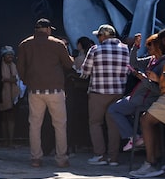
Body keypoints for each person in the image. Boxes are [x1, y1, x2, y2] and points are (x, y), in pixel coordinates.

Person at [16, 18, 75, 168]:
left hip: (35, 90)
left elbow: (20, 68)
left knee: (35, 125)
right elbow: (69, 64)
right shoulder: (57, 44)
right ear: (48, 29)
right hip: (55, 89)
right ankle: (61, 159)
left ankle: (36, 158)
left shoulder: (25, 44)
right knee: (60, 125)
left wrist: (27, 81)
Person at [79, 24, 129, 166]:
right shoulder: (125, 49)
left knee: (95, 123)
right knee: (113, 125)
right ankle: (113, 158)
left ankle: (99, 155)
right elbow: (129, 70)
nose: (98, 38)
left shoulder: (96, 49)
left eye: (98, 36)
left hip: (98, 92)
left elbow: (85, 71)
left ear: (103, 36)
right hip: (118, 92)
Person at [108, 32, 163, 151]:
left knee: (114, 109)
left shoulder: (161, 64)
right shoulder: (151, 60)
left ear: (158, 47)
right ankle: (136, 136)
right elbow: (134, 63)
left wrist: (143, 79)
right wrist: (135, 47)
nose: (147, 48)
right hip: (138, 96)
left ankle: (135, 137)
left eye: (150, 46)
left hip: (145, 99)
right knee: (118, 110)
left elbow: (158, 89)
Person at [0, 45, 21, 146]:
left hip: (14, 96)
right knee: (4, 118)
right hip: (2, 96)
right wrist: (7, 80)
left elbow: (18, 79)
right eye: (8, 55)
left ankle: (11, 140)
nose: (10, 57)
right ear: (3, 56)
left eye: (11, 55)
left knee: (12, 118)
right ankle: (5, 140)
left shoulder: (15, 66)